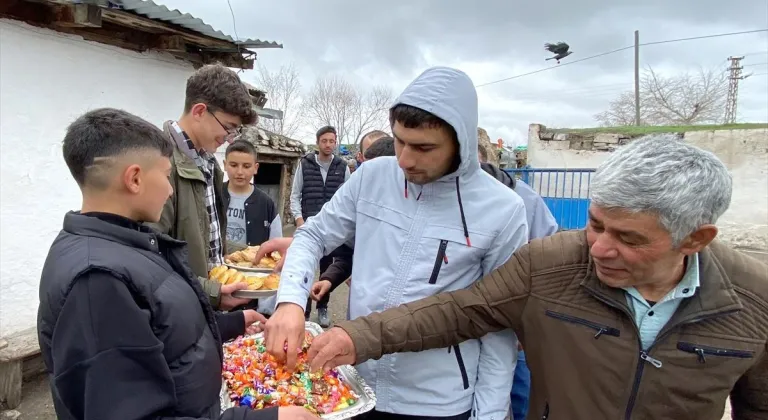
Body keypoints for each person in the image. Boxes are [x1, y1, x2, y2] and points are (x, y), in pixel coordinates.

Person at [307, 134, 768, 420]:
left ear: (695, 239)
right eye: (596, 223)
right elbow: (459, 310)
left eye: (629, 238)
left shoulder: (755, 300)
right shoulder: (549, 264)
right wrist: (355, 336)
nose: (600, 248)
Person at [260, 67, 529, 420]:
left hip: (438, 403)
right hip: (353, 383)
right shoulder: (371, 177)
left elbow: (499, 322)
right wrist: (291, 302)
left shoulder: (503, 210)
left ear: (460, 144)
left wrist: (489, 415)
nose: (404, 159)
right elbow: (312, 235)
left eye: (423, 147)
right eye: (400, 140)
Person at [37, 108, 316, 420]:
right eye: (166, 174)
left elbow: (154, 331)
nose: (171, 189)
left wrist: (231, 324)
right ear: (135, 179)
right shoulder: (97, 281)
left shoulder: (129, 244)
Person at [147, 63, 256, 311]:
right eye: (228, 127)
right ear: (199, 111)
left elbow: (204, 239)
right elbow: (150, 257)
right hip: (178, 308)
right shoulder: (159, 162)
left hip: (201, 304)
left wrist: (249, 256)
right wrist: (211, 292)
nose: (230, 138)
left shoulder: (208, 162)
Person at [477, 144, 558, 420]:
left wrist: (530, 322)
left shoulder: (525, 200)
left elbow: (550, 267)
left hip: (516, 325)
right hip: (466, 320)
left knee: (519, 394)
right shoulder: (446, 197)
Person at [310, 137, 396, 302]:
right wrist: (329, 279)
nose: (368, 177)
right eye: (365, 167)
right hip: (362, 303)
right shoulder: (352, 195)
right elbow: (348, 253)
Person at [289, 125, 351, 326]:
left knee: (327, 271)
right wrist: (299, 221)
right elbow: (295, 195)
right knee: (304, 269)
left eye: (332, 141)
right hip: (308, 227)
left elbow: (349, 200)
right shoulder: (305, 164)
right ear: (318, 143)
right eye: (324, 141)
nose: (328, 144)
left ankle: (322, 307)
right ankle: (302, 309)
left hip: (332, 231)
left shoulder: (342, 167)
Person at [222, 139, 283, 316]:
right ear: (225, 165)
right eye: (233, 165)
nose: (240, 172)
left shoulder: (266, 203)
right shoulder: (215, 196)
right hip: (220, 280)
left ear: (256, 168)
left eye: (246, 166)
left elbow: (276, 248)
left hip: (252, 285)